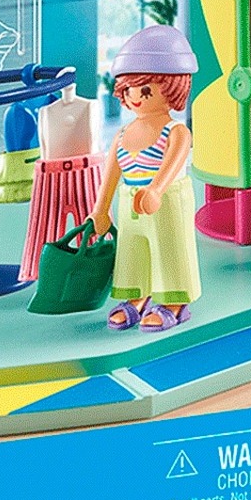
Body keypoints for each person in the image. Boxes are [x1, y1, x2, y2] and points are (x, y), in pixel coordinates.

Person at [91, 25, 201, 333]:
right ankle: (137, 296)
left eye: (146, 91)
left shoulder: (176, 131)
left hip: (166, 201)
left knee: (170, 249)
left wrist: (156, 190)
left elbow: (172, 165)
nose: (135, 98)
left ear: (174, 88)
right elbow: (111, 174)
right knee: (132, 250)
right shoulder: (123, 134)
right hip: (130, 202)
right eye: (128, 90)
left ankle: (174, 303)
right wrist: (101, 209)